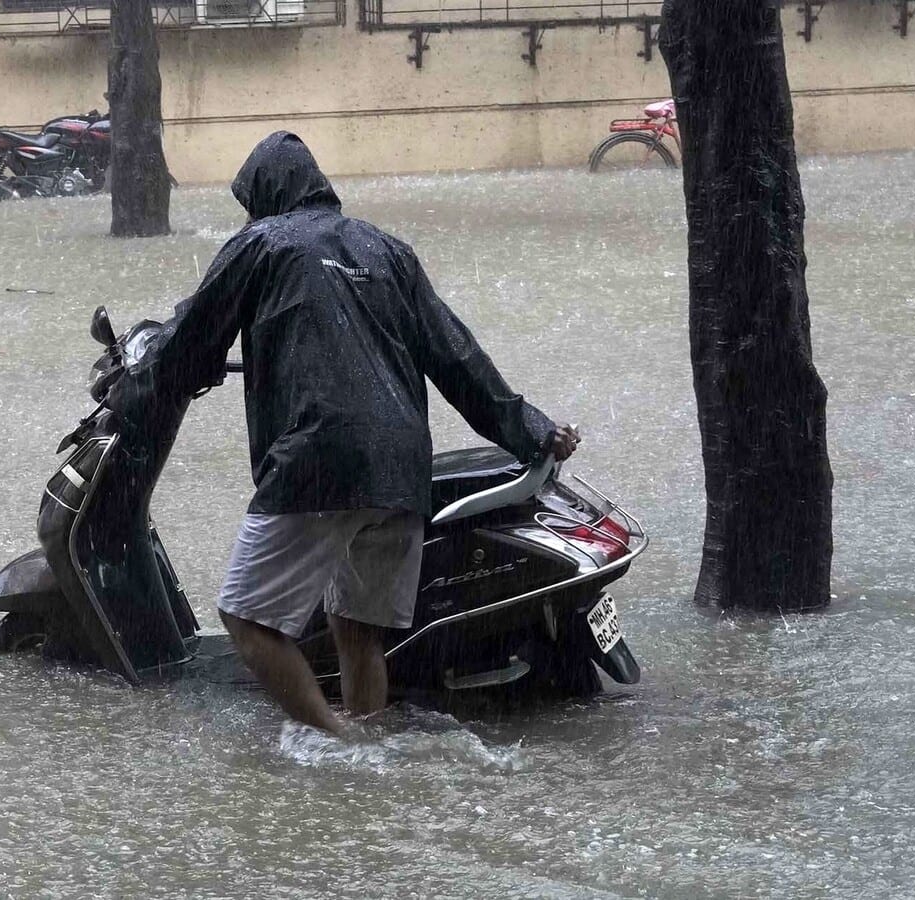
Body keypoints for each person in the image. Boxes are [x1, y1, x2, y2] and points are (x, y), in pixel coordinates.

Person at [130, 131, 580, 737]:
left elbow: (189, 340)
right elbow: (459, 360)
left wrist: (141, 379)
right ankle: (368, 742)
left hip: (319, 458)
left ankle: (336, 742)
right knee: (357, 632)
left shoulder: (261, 242)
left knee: (246, 617)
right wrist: (533, 430)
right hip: (401, 471)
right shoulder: (388, 250)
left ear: (265, 195)